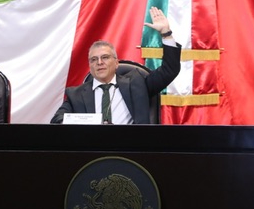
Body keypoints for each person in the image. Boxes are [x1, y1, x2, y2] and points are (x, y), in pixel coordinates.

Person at [51, 7, 181, 124]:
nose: (99, 62)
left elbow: (170, 70)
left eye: (105, 57)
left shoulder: (138, 83)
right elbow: (57, 121)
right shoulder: (76, 94)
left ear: (116, 62)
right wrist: (85, 123)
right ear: (90, 66)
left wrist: (166, 33)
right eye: (94, 59)